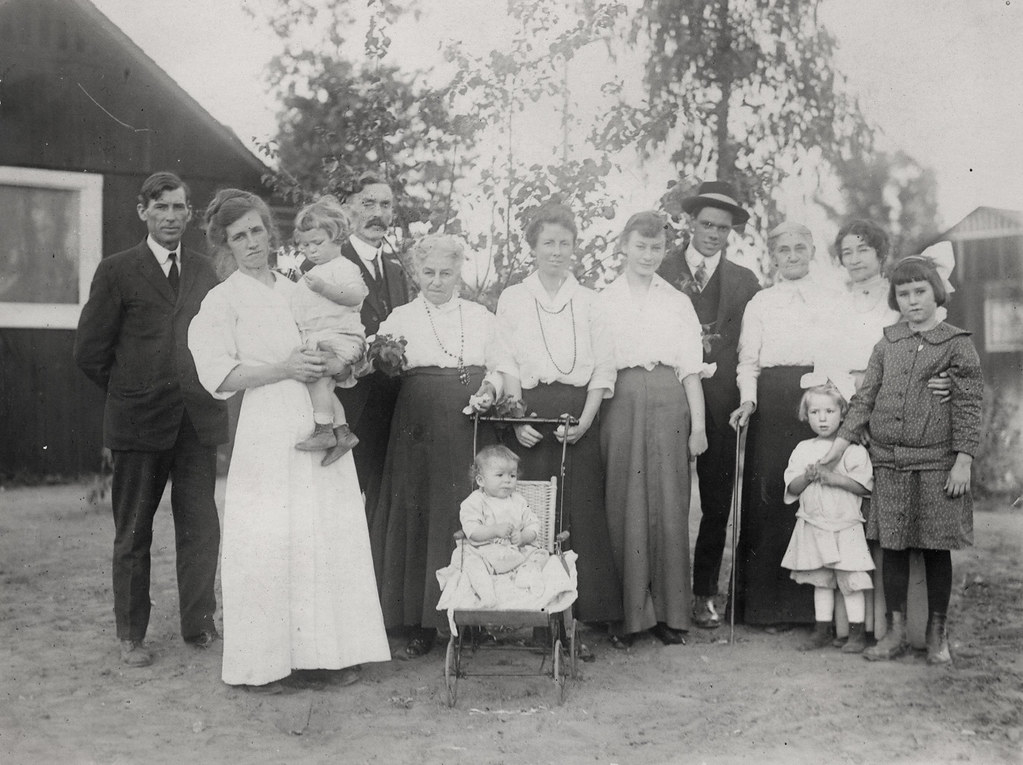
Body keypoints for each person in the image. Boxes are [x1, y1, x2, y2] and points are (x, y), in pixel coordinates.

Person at [188, 189, 389, 691]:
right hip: (267, 425)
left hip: (320, 418)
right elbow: (219, 374)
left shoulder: (297, 285)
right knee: (270, 538)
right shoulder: (223, 299)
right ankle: (267, 662)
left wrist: (347, 364)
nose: (252, 242)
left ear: (270, 234)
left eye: (258, 231)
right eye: (240, 236)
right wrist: (282, 368)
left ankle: (329, 654)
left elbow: (337, 328)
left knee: (325, 529)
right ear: (226, 244)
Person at [74, 172, 228, 668]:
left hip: (196, 423)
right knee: (134, 532)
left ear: (189, 213)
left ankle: (199, 624)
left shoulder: (206, 271)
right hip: (139, 423)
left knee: (201, 528)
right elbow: (90, 353)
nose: (171, 217)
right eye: (160, 207)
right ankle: (131, 635)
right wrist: (133, 392)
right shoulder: (118, 270)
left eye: (179, 208)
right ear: (143, 211)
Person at [820, 255, 983, 665]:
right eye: (903, 293)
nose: (912, 301)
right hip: (889, 462)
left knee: (934, 548)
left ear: (936, 293)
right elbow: (864, 399)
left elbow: (968, 405)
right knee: (892, 546)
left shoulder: (957, 343)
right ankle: (892, 633)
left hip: (937, 462)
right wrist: (839, 446)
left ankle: (936, 634)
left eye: (920, 292)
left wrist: (963, 460)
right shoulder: (886, 342)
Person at [495, 202, 624, 643]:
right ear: (532, 247)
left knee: (580, 510)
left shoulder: (590, 301)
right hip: (530, 410)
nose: (556, 251)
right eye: (547, 242)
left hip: (577, 411)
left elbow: (604, 367)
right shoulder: (514, 297)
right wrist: (515, 419)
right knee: (533, 511)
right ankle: (535, 618)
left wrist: (587, 421)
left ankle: (578, 620)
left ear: (574, 247)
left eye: (564, 243)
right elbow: (505, 361)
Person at [370, 234, 502, 658]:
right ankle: (418, 622)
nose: (437, 281)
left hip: (469, 423)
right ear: (415, 274)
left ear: (459, 272)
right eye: (428, 272)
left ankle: (471, 617)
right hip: (418, 426)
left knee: (466, 512)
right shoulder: (400, 317)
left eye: (446, 272)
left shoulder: (480, 316)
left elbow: (502, 367)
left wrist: (490, 389)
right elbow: (378, 362)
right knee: (420, 511)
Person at [598, 211, 710, 648]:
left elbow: (691, 371)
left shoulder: (677, 302)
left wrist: (698, 426)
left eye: (656, 247)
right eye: (640, 246)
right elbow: (599, 368)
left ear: (666, 251)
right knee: (623, 503)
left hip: (669, 400)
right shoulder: (602, 301)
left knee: (669, 502)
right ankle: (626, 618)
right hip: (620, 399)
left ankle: (669, 614)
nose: (648, 255)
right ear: (623, 246)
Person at [729, 221, 848, 627]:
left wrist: (832, 403)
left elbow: (837, 355)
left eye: (800, 247)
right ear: (773, 256)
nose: (793, 255)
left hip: (816, 401)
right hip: (772, 405)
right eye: (784, 250)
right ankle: (764, 607)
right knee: (771, 496)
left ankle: (811, 610)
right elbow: (748, 363)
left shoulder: (832, 300)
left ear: (812, 250)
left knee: (815, 494)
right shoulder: (761, 303)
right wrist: (748, 401)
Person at [657, 181, 760, 629]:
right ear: (689, 222)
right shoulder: (660, 268)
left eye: (723, 227)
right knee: (663, 497)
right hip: (666, 397)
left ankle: (703, 595)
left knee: (717, 502)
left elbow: (749, 346)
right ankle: (661, 593)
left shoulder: (744, 280)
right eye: (706, 224)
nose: (714, 234)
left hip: (720, 403)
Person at [334, 173, 410, 515]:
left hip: (389, 410)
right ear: (347, 209)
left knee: (379, 507)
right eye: (368, 203)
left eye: (385, 204)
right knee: (341, 504)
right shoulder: (329, 262)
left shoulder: (396, 271)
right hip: (346, 406)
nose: (377, 213)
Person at [780, 378, 874, 653]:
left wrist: (834, 478)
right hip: (814, 525)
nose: (822, 419)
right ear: (805, 414)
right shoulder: (803, 449)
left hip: (845, 526)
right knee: (820, 580)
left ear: (843, 413)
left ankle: (856, 634)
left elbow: (865, 487)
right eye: (814, 412)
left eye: (829, 412)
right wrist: (808, 477)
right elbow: (791, 488)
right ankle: (822, 630)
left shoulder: (854, 449)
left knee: (851, 581)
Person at [290, 196, 367, 460]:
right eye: (305, 245)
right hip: (324, 337)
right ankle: (342, 432)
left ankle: (325, 429)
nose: (311, 251)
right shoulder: (309, 275)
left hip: (342, 337)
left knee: (315, 376)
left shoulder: (343, 267)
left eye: (318, 243)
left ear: (337, 237)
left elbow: (355, 296)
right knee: (321, 384)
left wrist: (325, 288)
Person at [458, 445, 547, 607]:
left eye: (512, 475)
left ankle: (526, 576)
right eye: (500, 475)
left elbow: (533, 524)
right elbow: (472, 531)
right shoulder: (475, 502)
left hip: (516, 553)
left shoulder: (518, 501)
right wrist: (494, 530)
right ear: (481, 480)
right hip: (487, 554)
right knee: (471, 563)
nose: (507, 480)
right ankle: (487, 594)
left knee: (542, 555)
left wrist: (523, 537)